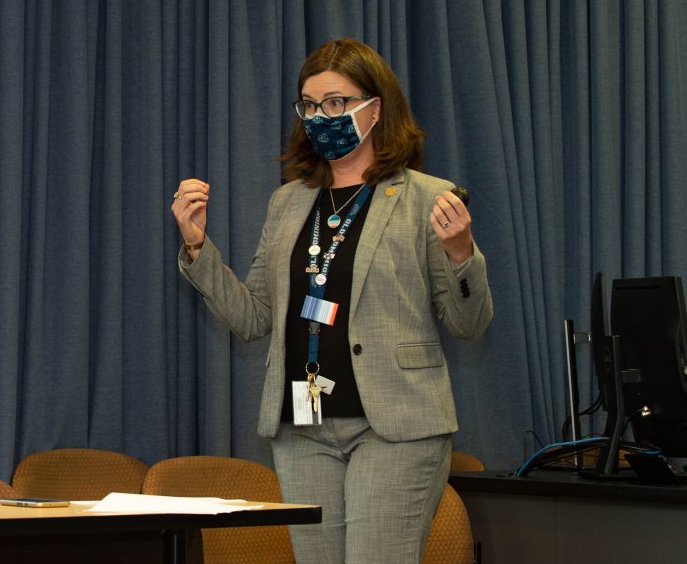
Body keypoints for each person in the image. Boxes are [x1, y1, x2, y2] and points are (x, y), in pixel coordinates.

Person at [171, 38, 492, 563]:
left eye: (337, 102)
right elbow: (254, 318)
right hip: (304, 426)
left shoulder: (428, 197)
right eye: (310, 105)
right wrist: (197, 248)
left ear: (375, 108)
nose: (322, 117)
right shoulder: (288, 201)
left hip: (395, 425)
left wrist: (461, 254)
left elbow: (469, 323)